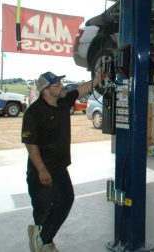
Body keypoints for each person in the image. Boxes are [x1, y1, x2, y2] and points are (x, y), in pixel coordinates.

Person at [22, 71, 105, 252]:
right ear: (46, 90)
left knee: (66, 199)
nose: (62, 87)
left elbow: (80, 89)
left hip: (59, 167)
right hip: (40, 170)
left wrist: (99, 78)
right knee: (43, 208)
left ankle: (42, 239)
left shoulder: (63, 102)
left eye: (60, 83)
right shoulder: (34, 113)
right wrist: (42, 169)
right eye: (57, 85)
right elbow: (30, 144)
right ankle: (44, 242)